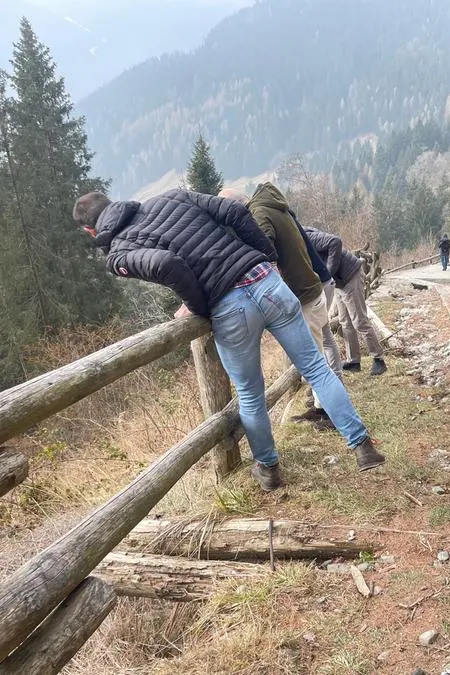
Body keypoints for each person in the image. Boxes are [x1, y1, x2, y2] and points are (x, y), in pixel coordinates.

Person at [72, 189, 386, 492]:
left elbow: (168, 265)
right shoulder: (171, 196)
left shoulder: (118, 254)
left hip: (229, 308)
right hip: (266, 280)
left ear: (89, 230)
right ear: (113, 202)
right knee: (316, 368)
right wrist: (268, 258)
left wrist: (201, 309)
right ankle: (362, 447)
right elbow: (235, 210)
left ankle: (269, 468)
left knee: (250, 393)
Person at [222, 183, 343, 427]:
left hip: (303, 294)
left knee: (316, 362)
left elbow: (263, 250)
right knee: (318, 355)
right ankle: (322, 407)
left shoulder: (258, 215)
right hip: (311, 287)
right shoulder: (271, 205)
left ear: (235, 208)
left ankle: (332, 414)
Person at [304, 225, 388, 376]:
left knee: (359, 320)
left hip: (350, 275)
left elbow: (335, 242)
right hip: (339, 281)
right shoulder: (301, 240)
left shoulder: (307, 237)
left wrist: (329, 273)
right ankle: (354, 361)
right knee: (345, 322)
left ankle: (379, 359)